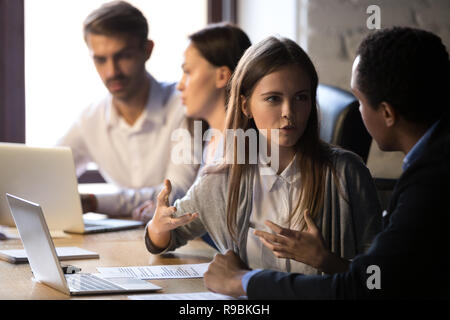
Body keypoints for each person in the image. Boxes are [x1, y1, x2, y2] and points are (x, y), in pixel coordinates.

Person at [203, 27, 450, 299]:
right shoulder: (430, 163)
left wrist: (243, 281)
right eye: (274, 98)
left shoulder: (429, 185)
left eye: (359, 100)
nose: (289, 113)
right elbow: (380, 278)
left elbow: (364, 288)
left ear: (387, 113)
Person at [145, 36, 381, 276]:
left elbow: (378, 277)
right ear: (245, 106)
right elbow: (166, 239)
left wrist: (324, 260)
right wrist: (159, 225)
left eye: (301, 97)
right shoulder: (222, 177)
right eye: (273, 99)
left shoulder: (346, 171)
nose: (289, 113)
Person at [57, 1, 198, 218]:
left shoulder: (185, 108)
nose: (112, 71)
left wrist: (95, 202)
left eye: (123, 56)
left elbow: (177, 194)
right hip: (122, 241)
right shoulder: (90, 119)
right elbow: (48, 174)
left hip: (183, 242)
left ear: (147, 50)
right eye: (100, 59)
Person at [132, 23, 251, 244]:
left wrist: (174, 220)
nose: (180, 86)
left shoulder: (242, 149)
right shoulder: (209, 138)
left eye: (188, 72)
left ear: (222, 76)